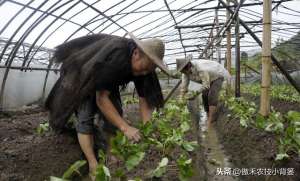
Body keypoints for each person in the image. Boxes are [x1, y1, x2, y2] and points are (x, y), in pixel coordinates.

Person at [45, 32, 168, 176]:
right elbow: (101, 99)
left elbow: (144, 100)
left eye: (149, 69)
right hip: (81, 75)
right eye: (144, 68)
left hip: (104, 78)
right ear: (136, 53)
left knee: (116, 112)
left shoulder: (146, 68)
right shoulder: (117, 56)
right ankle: (92, 163)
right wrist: (126, 127)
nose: (144, 73)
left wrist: (148, 128)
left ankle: (111, 154)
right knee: (85, 117)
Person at [176, 57, 230, 126]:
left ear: (189, 66)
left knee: (212, 95)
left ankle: (210, 120)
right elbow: (184, 88)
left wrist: (195, 94)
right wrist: (181, 98)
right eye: (182, 72)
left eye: (185, 71)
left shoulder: (201, 68)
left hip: (217, 76)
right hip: (208, 78)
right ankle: (208, 114)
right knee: (204, 95)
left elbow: (206, 85)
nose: (184, 73)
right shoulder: (185, 73)